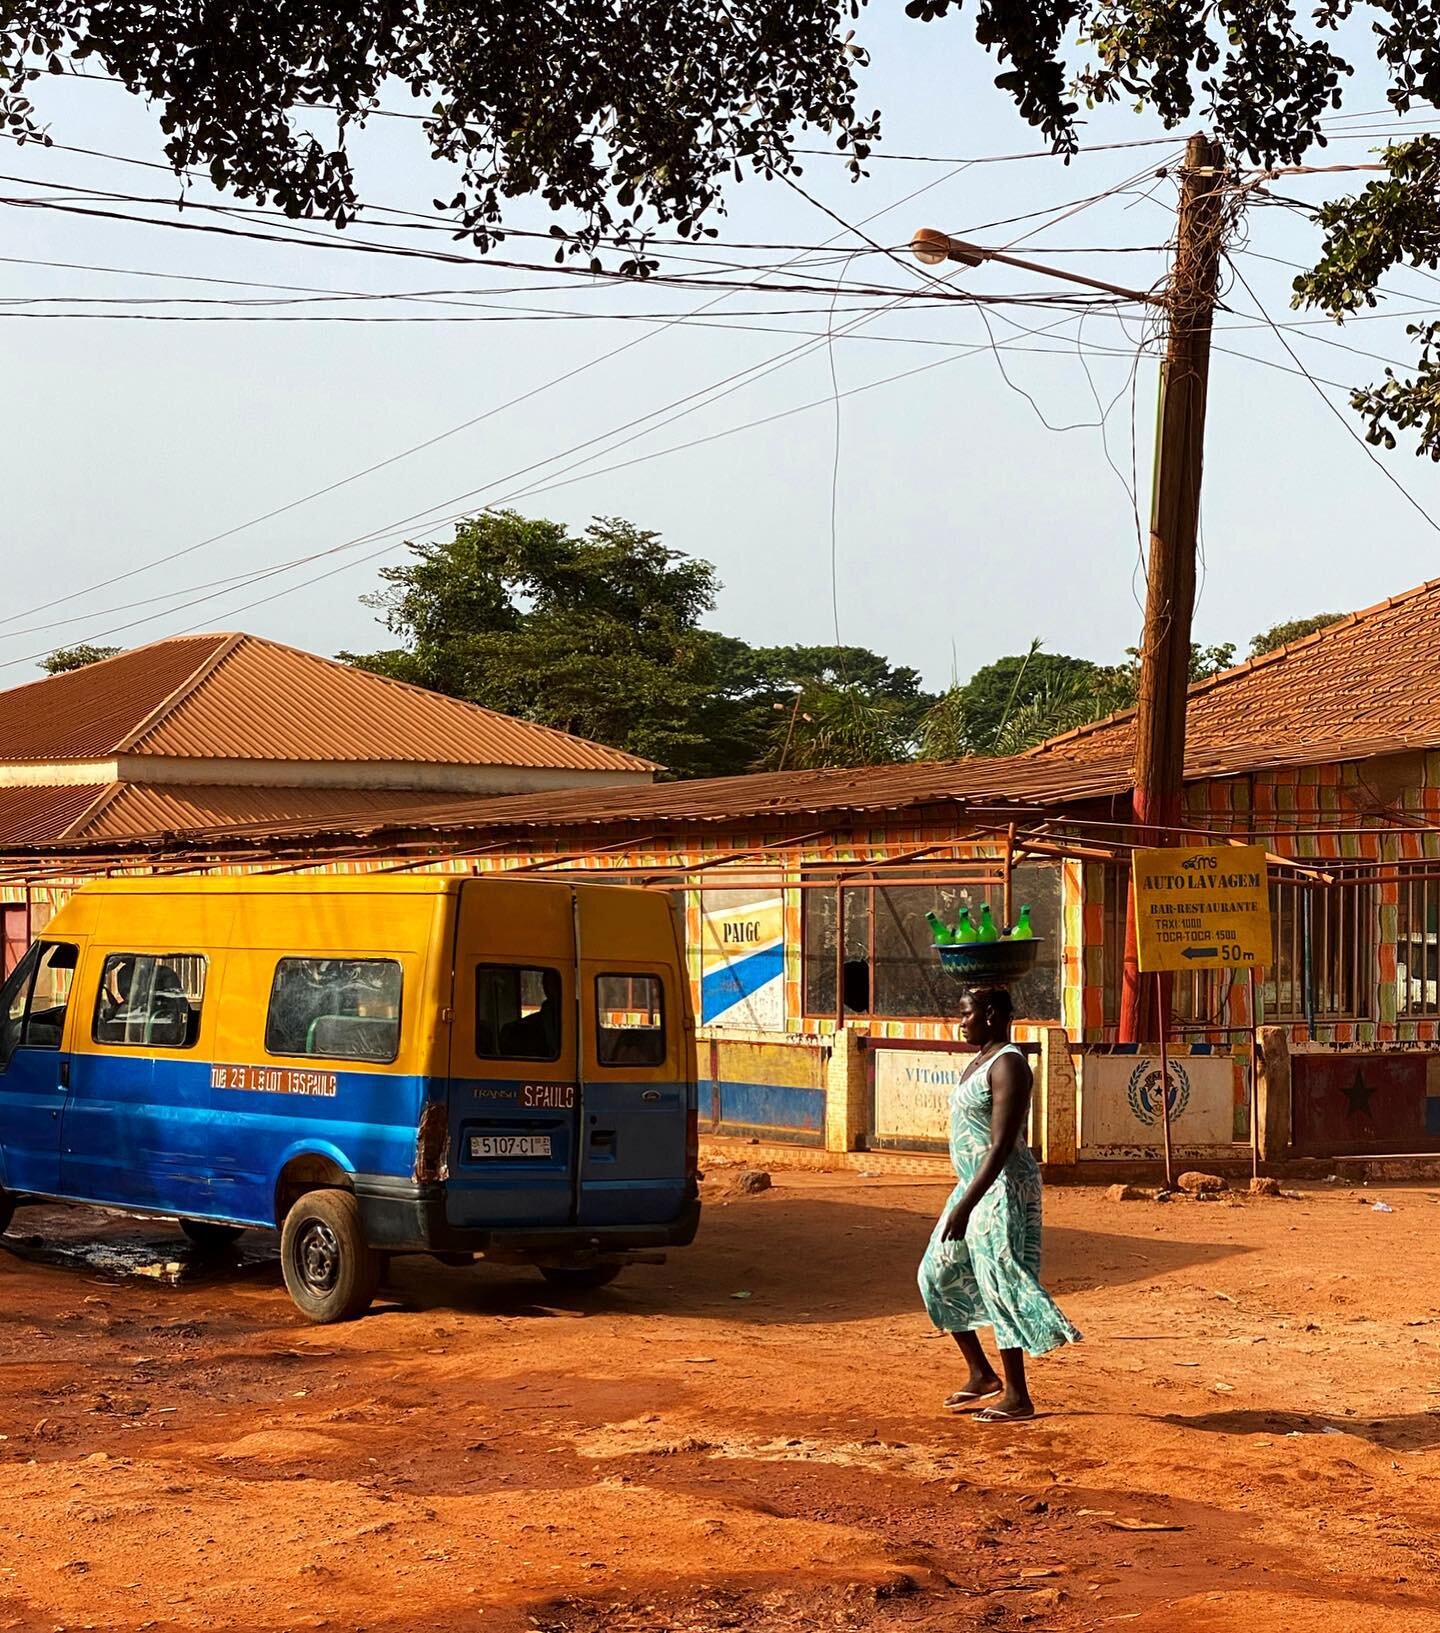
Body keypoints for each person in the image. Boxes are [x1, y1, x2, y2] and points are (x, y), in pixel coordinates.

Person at [917, 985, 1079, 1423]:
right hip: (973, 1185)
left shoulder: (1009, 1064)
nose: (960, 1021)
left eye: (966, 1013)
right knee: (936, 1272)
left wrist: (966, 1205)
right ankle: (981, 1374)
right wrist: (964, 1197)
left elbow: (1002, 1144)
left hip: (1001, 1186)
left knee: (1000, 1280)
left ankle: (1017, 1396)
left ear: (990, 1014)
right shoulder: (980, 1061)